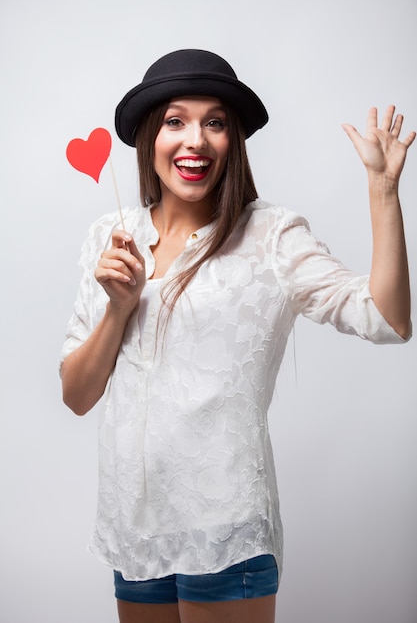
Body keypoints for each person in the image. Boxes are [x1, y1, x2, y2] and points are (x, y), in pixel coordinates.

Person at [60, 48, 415, 623]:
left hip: (226, 536)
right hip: (135, 531)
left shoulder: (271, 236)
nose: (195, 139)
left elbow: (387, 319)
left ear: (233, 141)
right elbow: (77, 396)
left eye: (215, 122)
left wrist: (382, 191)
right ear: (150, 136)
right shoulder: (112, 236)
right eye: (175, 121)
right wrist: (118, 308)